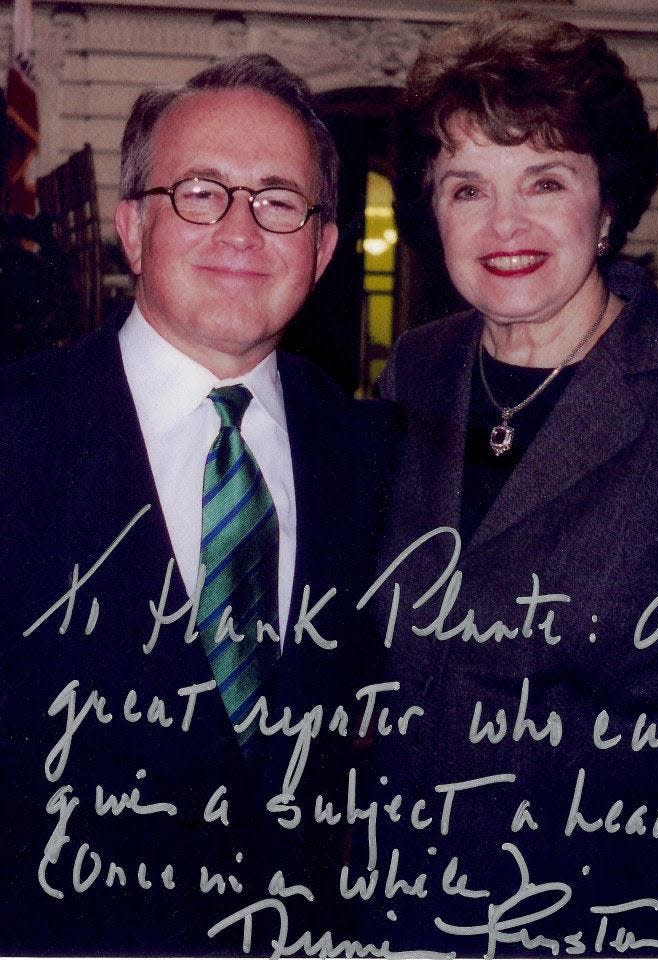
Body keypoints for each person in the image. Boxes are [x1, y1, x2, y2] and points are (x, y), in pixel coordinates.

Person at [365, 11, 658, 956]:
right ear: (428, 210)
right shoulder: (416, 372)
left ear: (606, 207)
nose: (505, 224)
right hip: (397, 918)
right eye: (466, 187)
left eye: (546, 180)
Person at [0, 55, 391, 954]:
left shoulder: (375, 458)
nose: (242, 230)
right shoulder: (16, 436)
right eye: (201, 192)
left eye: (278, 199)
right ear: (133, 229)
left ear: (323, 248)